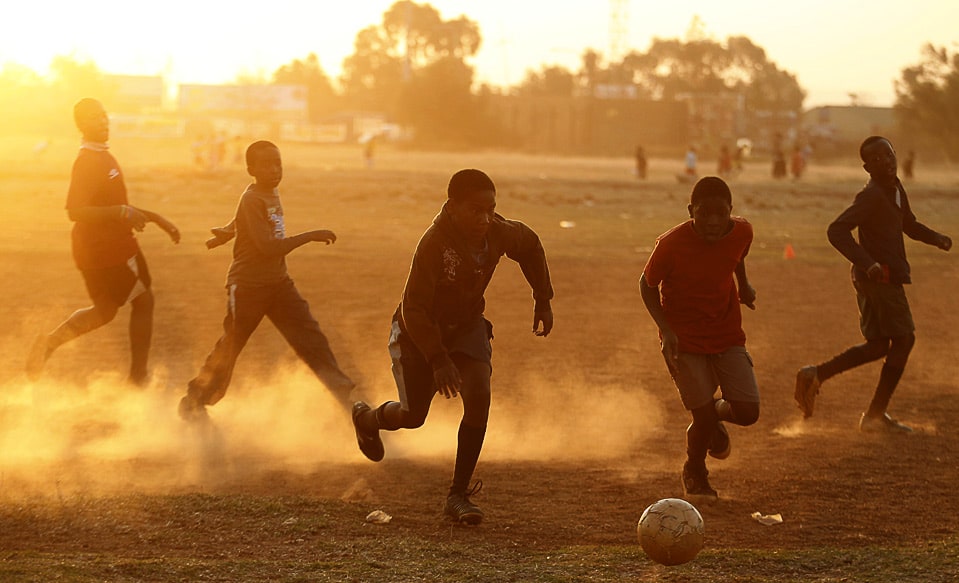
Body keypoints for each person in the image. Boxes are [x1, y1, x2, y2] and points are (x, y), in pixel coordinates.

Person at [351, 169, 554, 525]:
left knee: (479, 393)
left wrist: (543, 297)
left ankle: (457, 495)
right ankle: (367, 418)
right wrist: (438, 359)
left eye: (490, 209)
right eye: (476, 210)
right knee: (413, 417)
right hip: (418, 333)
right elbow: (413, 308)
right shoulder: (433, 244)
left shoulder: (497, 231)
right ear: (452, 207)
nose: (485, 218)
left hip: (467, 326)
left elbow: (531, 245)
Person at [178, 140, 355, 421]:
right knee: (231, 346)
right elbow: (269, 247)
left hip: (278, 283)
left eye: (278, 163)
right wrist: (310, 235)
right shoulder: (252, 197)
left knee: (310, 335)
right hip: (247, 287)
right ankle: (195, 400)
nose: (274, 170)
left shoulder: (266, 192)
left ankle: (340, 390)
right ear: (251, 169)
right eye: (267, 164)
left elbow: (246, 217)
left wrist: (228, 229)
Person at [794, 136, 952, 431]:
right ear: (867, 167)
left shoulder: (894, 189)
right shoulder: (872, 195)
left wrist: (936, 238)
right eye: (877, 159)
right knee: (904, 340)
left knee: (880, 345)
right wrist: (868, 263)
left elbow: (909, 224)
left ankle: (816, 374)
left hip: (884, 278)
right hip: (878, 280)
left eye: (889, 155)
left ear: (896, 155)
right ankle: (875, 416)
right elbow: (836, 230)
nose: (887, 162)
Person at [26, 98, 180, 385]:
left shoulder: (102, 156)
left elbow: (116, 205)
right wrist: (123, 212)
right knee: (144, 301)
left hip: (91, 250)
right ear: (82, 125)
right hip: (112, 249)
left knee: (105, 310)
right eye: (96, 118)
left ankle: (48, 343)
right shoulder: (88, 161)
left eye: (105, 115)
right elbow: (75, 210)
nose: (104, 121)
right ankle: (138, 378)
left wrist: (156, 218)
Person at [639, 176, 760, 500]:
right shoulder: (670, 244)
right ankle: (695, 471)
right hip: (684, 338)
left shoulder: (743, 231)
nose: (712, 222)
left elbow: (739, 254)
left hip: (726, 332)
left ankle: (713, 416)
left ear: (730, 212)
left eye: (720, 214)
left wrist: (743, 285)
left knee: (748, 412)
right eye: (704, 213)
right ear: (691, 210)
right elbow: (646, 284)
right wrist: (666, 329)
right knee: (701, 416)